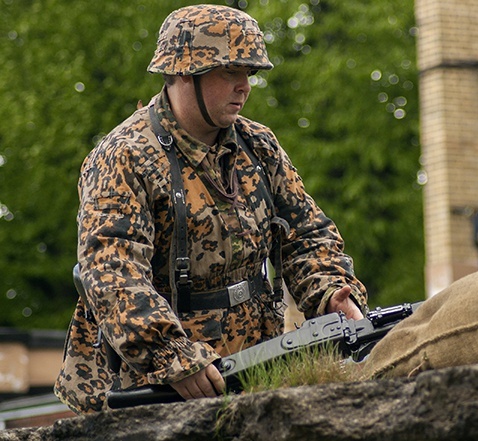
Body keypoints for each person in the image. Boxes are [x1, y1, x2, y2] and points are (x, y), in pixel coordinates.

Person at [54, 4, 367, 414]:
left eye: (249, 74)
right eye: (230, 72)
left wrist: (332, 294)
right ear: (185, 72)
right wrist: (171, 354)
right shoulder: (124, 156)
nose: (245, 87)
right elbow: (111, 270)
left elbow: (306, 233)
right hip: (152, 384)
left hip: (254, 361)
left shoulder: (258, 146)